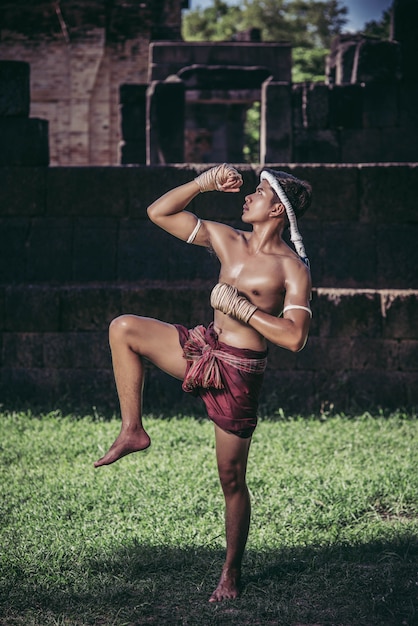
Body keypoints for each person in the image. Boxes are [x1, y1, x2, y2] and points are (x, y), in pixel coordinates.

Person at [94, 163, 312, 602]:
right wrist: (202, 182)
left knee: (231, 479)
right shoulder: (227, 239)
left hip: (240, 371)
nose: (247, 198)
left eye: (258, 193)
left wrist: (245, 311)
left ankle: (230, 574)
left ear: (277, 210)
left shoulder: (291, 269)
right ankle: (133, 429)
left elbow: (295, 338)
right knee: (124, 328)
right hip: (203, 347)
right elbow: (159, 212)